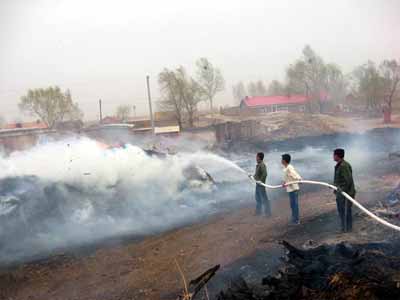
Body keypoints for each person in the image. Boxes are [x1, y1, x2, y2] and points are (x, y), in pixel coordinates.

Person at [333, 148, 356, 233]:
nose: (333, 157)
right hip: (342, 193)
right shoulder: (340, 165)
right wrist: (334, 185)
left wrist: (340, 190)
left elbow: (348, 181)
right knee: (342, 211)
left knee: (345, 211)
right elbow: (341, 180)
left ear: (337, 156)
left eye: (334, 155)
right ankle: (345, 228)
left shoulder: (344, 166)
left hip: (346, 193)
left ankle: (347, 229)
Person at [281, 154, 302, 225]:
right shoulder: (286, 168)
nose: (281, 161)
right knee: (292, 205)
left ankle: (296, 220)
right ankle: (294, 219)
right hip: (291, 189)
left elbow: (295, 174)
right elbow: (287, 178)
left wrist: (299, 179)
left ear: (284, 160)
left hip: (293, 189)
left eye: (282, 159)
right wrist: (284, 183)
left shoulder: (289, 168)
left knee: (294, 205)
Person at [249, 152, 271, 217]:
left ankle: (268, 213)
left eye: (256, 157)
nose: (256, 158)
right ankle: (258, 212)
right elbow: (257, 175)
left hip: (261, 185)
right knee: (258, 198)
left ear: (259, 157)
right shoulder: (258, 165)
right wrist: (251, 176)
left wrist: (261, 181)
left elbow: (265, 174)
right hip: (258, 184)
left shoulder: (262, 165)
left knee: (264, 199)